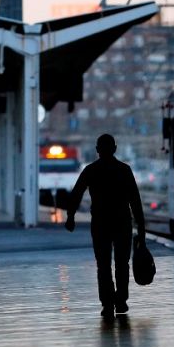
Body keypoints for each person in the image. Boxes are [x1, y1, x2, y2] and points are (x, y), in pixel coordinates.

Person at [63, 134, 146, 318]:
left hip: (100, 223)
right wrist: (141, 228)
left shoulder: (91, 170)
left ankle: (108, 304)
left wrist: (70, 216)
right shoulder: (124, 170)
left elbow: (76, 193)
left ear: (97, 150)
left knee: (103, 265)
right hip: (122, 222)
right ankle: (121, 301)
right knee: (122, 264)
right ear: (114, 149)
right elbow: (135, 200)